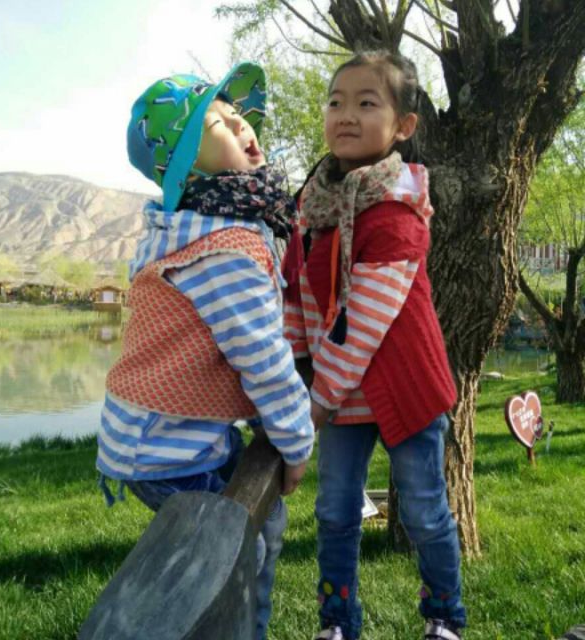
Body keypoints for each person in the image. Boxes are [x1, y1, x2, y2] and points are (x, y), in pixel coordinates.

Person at [96, 63, 314, 640]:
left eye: (237, 114)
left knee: (258, 525)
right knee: (234, 553)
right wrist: (296, 442)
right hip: (163, 450)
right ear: (186, 165)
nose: (240, 124)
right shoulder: (222, 250)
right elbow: (261, 356)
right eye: (216, 124)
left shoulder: (202, 227)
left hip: (177, 435)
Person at [282, 51, 467, 640]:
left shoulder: (397, 212)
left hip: (403, 386)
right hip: (339, 394)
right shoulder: (310, 204)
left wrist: (315, 404)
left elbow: (362, 323)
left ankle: (444, 619)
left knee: (425, 509)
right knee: (335, 511)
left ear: (403, 125)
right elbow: (294, 291)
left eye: (367, 103)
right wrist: (296, 368)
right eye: (336, 102)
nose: (346, 115)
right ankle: (337, 623)